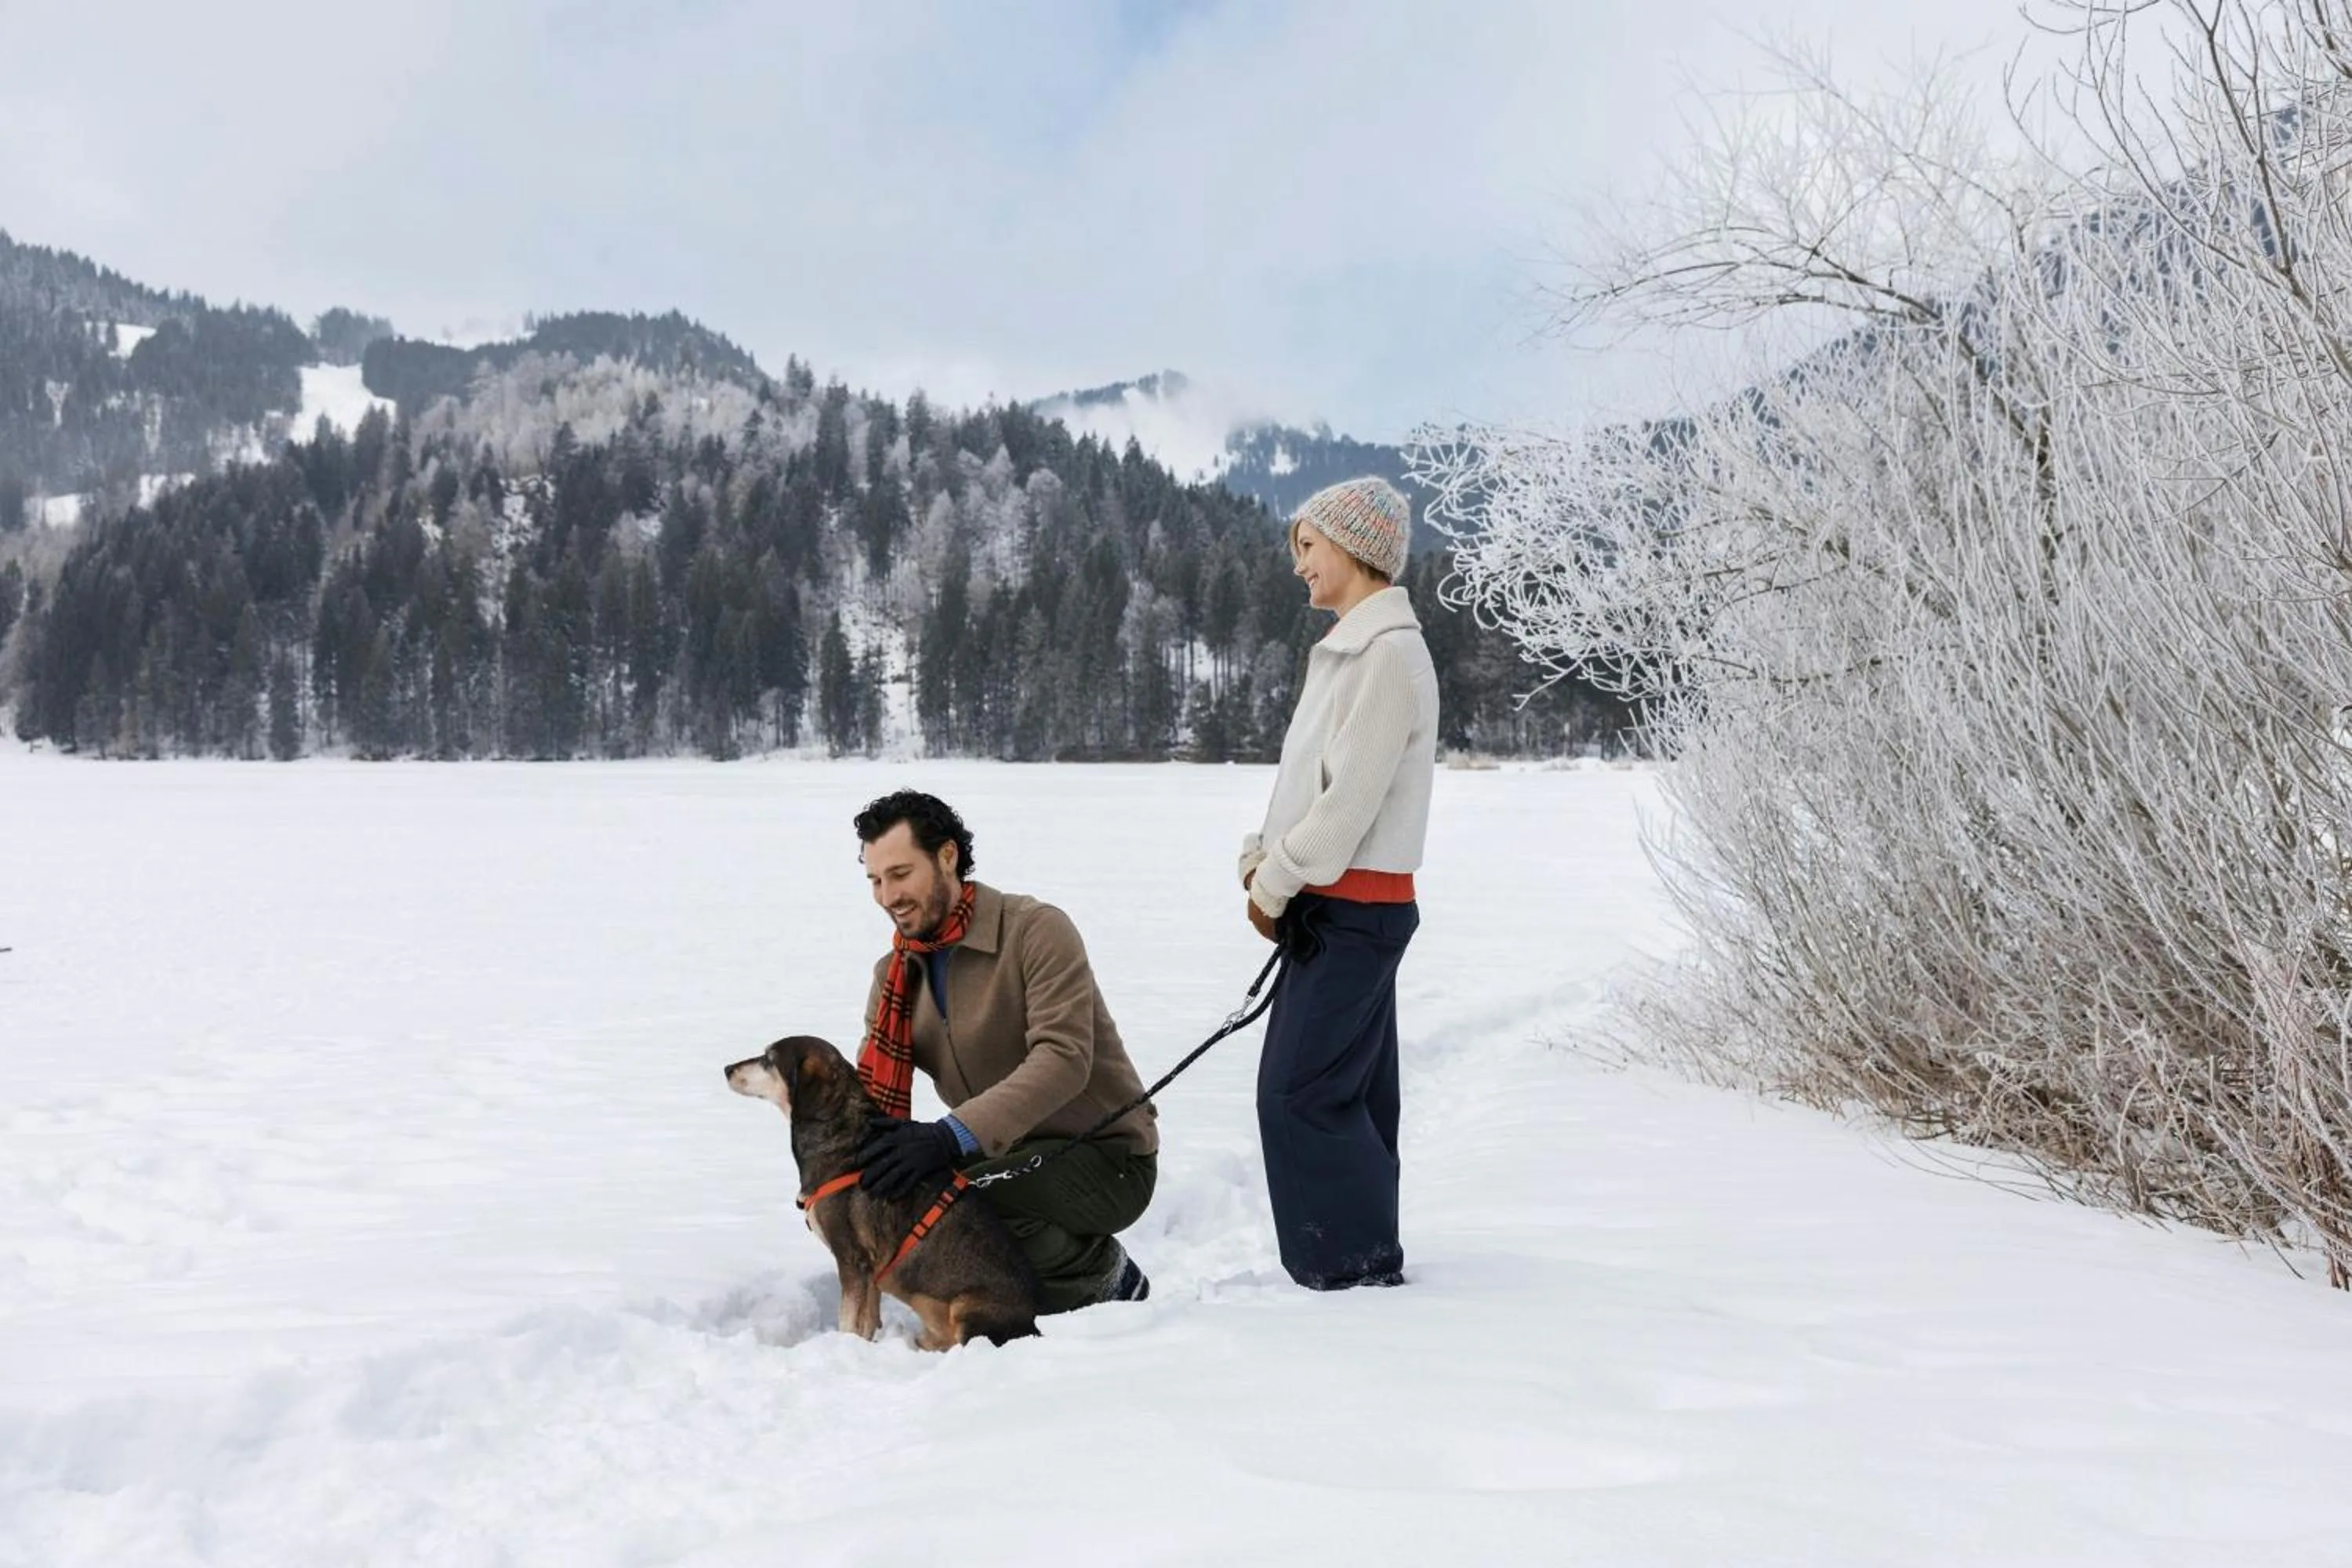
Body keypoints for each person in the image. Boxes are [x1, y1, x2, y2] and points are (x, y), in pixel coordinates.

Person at [1240, 476, 1439, 1290]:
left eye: (1308, 547)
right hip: (1338, 906)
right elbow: (1309, 785)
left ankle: (1348, 1270)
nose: (1300, 567)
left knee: (1297, 1097)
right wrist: (1262, 856)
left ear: (1353, 549)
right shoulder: (1354, 651)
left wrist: (1272, 883)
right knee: (1345, 1093)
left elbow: (1347, 807)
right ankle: (1359, 1264)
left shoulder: (1386, 656)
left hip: (1353, 908)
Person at [851, 789, 1156, 1310]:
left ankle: (1102, 1277)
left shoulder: (1034, 931)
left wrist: (949, 1138)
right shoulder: (898, 975)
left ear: (947, 856)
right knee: (911, 1210)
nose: (886, 896)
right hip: (1001, 1154)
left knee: (954, 1210)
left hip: (1105, 1159)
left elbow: (1064, 1059)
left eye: (901, 874)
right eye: (875, 881)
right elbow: (868, 1097)